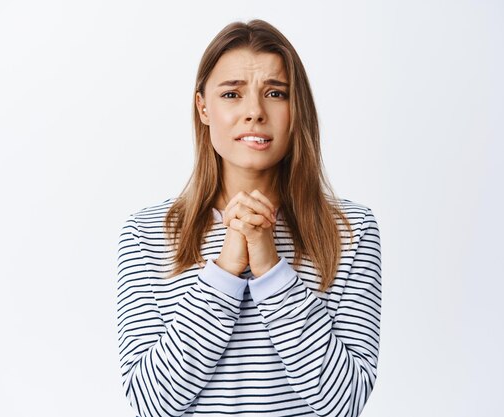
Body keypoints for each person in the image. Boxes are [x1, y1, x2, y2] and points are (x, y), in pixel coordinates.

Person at [116, 19, 382, 417]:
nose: (255, 112)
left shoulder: (351, 230)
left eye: (275, 93)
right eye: (231, 94)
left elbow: (342, 404)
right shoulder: (147, 233)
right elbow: (150, 403)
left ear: (297, 110)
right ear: (203, 108)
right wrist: (225, 269)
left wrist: (270, 266)